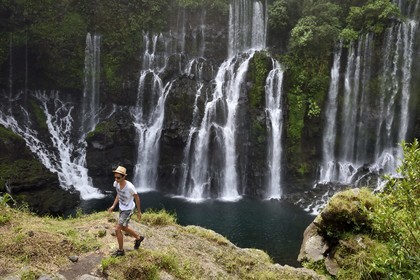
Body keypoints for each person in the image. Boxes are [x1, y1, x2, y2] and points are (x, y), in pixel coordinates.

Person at [108, 166, 144, 256]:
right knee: (124, 227)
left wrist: (139, 212)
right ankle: (138, 238)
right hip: (121, 208)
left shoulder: (130, 187)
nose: (116, 179)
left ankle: (121, 251)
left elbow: (137, 197)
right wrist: (113, 206)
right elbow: (118, 194)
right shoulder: (116, 183)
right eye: (115, 177)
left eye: (118, 177)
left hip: (128, 209)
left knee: (117, 229)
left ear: (124, 177)